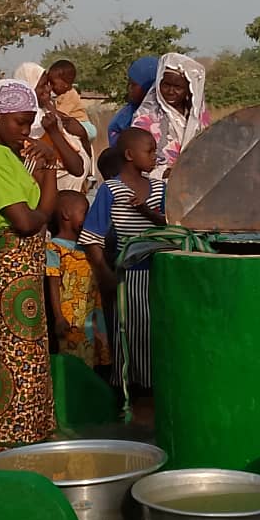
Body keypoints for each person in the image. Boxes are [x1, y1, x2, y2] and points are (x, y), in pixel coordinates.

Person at [0, 78, 57, 448]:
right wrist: (46, 176)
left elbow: (40, 213)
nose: (26, 130)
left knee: (29, 349)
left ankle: (32, 430)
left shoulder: (11, 158)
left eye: (30, 122)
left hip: (25, 263)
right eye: (19, 121)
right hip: (9, 262)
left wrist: (46, 170)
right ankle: (14, 435)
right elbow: (26, 220)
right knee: (15, 353)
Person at [81, 128, 165, 390]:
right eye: (149, 151)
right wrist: (104, 272)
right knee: (129, 330)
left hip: (159, 271)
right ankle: (130, 390)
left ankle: (153, 387)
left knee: (155, 331)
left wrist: (146, 211)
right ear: (130, 154)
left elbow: (170, 223)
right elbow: (92, 235)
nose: (155, 156)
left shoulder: (161, 188)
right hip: (128, 273)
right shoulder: (111, 189)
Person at [47, 191, 111, 370]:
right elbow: (52, 281)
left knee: (95, 359)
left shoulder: (88, 247)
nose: (89, 218)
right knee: (74, 362)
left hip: (93, 315)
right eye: (85, 212)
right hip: (71, 319)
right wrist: (58, 317)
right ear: (66, 214)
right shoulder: (54, 248)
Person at [13, 62, 89, 190]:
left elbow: (78, 165)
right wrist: (54, 132)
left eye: (48, 84)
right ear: (28, 89)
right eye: (43, 85)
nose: (49, 89)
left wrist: (83, 135)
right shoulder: (20, 125)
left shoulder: (48, 114)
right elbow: (75, 167)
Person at [132, 53, 210, 179]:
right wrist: (164, 174)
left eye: (178, 87)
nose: (170, 91)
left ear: (188, 89)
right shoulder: (145, 119)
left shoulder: (198, 120)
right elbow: (137, 164)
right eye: (166, 85)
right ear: (158, 83)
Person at [107, 56, 158, 147]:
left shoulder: (165, 117)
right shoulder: (126, 114)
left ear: (149, 87)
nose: (129, 88)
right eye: (129, 83)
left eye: (133, 85)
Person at [48, 59, 97, 141]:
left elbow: (60, 115)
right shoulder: (60, 96)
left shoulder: (70, 95)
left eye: (53, 83)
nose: (51, 87)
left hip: (84, 126)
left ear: (66, 84)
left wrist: (47, 104)